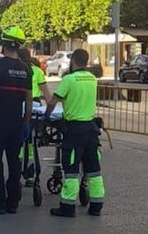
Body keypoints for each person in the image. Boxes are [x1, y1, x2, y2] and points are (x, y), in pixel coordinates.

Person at [44, 48, 105, 217]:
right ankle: (96, 205)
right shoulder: (92, 79)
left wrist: (46, 118)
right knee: (93, 169)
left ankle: (67, 206)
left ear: (73, 61)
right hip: (91, 129)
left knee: (71, 169)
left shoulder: (69, 80)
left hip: (74, 130)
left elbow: (53, 102)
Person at [0, 26, 32, 215]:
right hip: (16, 124)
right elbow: (28, 99)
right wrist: (26, 122)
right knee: (14, 162)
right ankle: (13, 202)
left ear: (4, 44)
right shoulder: (26, 69)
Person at [17, 48, 53, 185]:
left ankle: (18, 175)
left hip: (19, 106)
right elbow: (47, 93)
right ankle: (30, 176)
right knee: (31, 142)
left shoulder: (18, 71)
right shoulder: (37, 71)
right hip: (35, 108)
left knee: (18, 143)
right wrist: (50, 111)